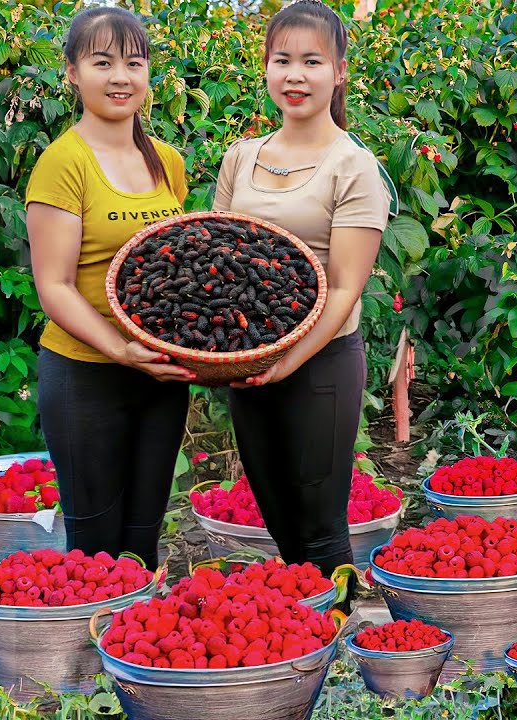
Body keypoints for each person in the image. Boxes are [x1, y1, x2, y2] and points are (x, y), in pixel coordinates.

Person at [212, 0, 391, 575]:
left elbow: (343, 291)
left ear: (338, 71)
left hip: (321, 362)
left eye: (312, 61)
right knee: (278, 519)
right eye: (281, 60)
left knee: (319, 525)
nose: (295, 75)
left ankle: (335, 651)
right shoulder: (241, 158)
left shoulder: (354, 166)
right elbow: (217, 258)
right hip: (250, 357)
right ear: (265, 68)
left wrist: (290, 360)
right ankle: (304, 648)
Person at [25, 5, 195, 571]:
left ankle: (134, 656)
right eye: (103, 62)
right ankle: (81, 658)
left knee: (143, 542)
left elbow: (182, 272)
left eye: (133, 63)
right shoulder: (63, 163)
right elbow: (54, 286)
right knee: (94, 550)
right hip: (85, 375)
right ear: (72, 72)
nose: (120, 77)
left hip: (161, 377)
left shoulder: (166, 162)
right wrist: (121, 349)